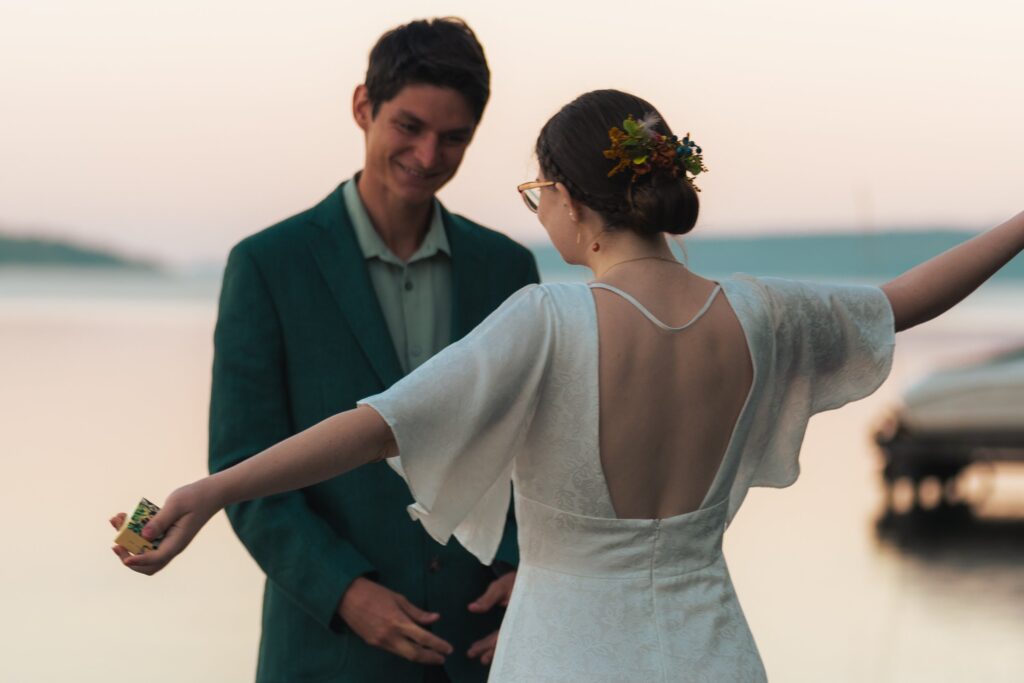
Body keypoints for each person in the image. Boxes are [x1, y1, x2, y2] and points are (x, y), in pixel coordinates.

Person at [112, 89, 1024, 681]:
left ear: (569, 199)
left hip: (564, 658)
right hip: (716, 653)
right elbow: (908, 299)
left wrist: (212, 488)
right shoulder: (761, 313)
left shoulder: (547, 321)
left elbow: (378, 425)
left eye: (534, 193)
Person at [110, 17, 539, 683]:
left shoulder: (507, 269)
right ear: (363, 106)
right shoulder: (266, 264)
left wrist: (527, 568)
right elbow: (241, 464)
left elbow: (533, 454)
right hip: (324, 651)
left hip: (486, 647)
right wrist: (344, 590)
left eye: (454, 138)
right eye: (409, 127)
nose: (429, 156)